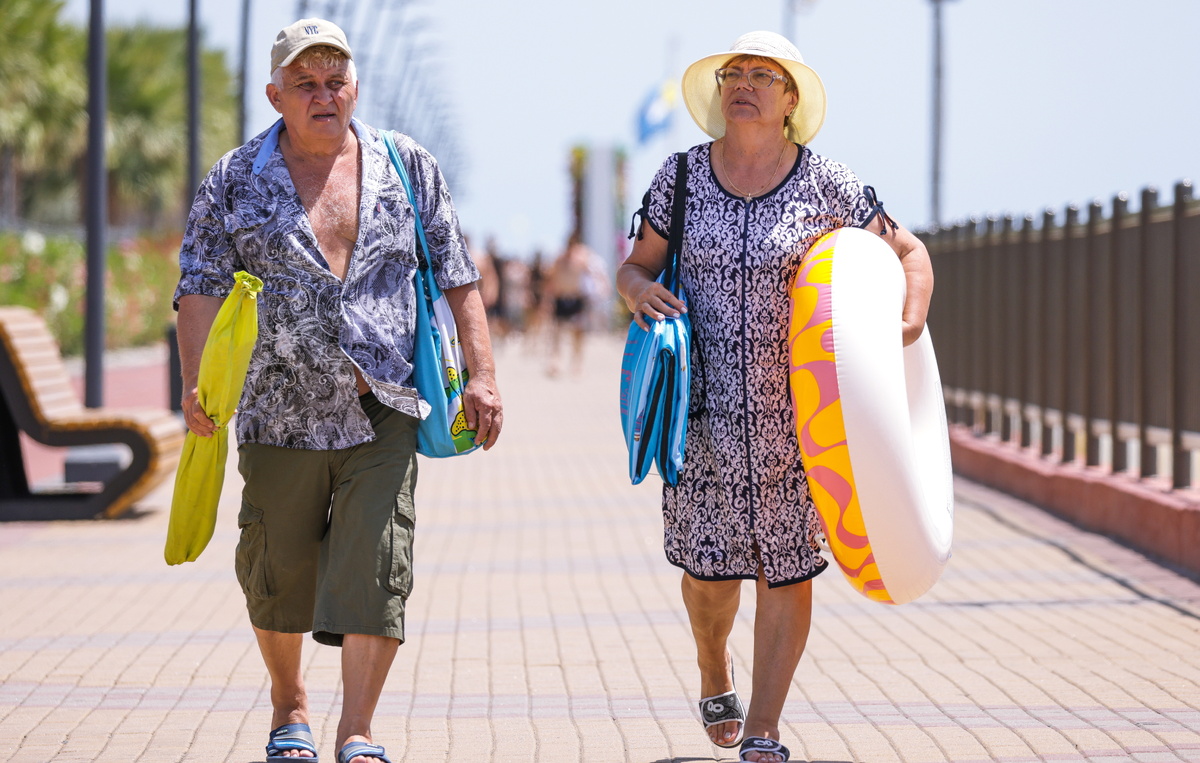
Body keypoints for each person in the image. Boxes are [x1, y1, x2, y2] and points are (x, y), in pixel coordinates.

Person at [173, 18, 502, 763]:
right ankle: (290, 707)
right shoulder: (232, 179)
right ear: (275, 94)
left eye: (336, 81)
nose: (324, 95)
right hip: (275, 410)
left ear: (355, 87)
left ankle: (358, 728)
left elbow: (457, 271)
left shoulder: (406, 165)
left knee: (378, 562)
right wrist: (195, 383)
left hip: (383, 402)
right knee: (277, 568)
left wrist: (482, 373)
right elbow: (198, 285)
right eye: (305, 84)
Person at [616, 32, 933, 763]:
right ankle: (711, 666)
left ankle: (763, 728)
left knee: (786, 567)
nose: (745, 84)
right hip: (704, 420)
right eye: (735, 73)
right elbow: (634, 267)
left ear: (790, 100)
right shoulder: (682, 178)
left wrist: (908, 326)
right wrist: (640, 293)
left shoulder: (829, 184)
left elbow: (909, 252)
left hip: (803, 426)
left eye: (763, 75)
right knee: (709, 573)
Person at [543, 234, 610, 377]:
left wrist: (602, 287)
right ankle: (556, 361)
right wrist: (547, 299)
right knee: (557, 332)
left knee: (578, 333)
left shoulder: (582, 259)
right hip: (561, 298)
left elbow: (596, 273)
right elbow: (550, 280)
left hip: (576, 298)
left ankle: (576, 363)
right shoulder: (559, 260)